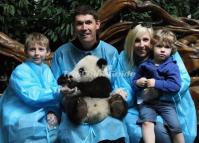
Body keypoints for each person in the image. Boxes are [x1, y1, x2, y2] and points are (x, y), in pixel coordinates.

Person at [51, 5, 128, 143]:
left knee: (116, 131)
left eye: (88, 22)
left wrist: (120, 93)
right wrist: (62, 92)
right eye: (79, 23)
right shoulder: (61, 53)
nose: (84, 27)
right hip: (74, 111)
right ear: (74, 27)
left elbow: (118, 83)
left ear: (97, 24)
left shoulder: (110, 52)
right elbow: (53, 85)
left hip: (104, 110)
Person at [114, 24, 197, 143]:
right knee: (142, 127)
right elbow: (126, 84)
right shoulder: (124, 57)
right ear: (131, 42)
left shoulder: (165, 50)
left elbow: (183, 80)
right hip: (141, 105)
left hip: (172, 102)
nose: (142, 45)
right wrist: (126, 93)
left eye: (145, 40)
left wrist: (158, 90)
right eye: (137, 40)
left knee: (168, 130)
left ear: (152, 42)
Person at [0, 32, 71, 143]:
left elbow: (53, 92)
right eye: (32, 49)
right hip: (19, 113)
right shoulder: (20, 71)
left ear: (48, 52)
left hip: (42, 110)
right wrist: (59, 91)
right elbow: (32, 95)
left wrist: (53, 111)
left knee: (60, 126)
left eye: (41, 49)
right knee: (35, 132)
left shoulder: (46, 69)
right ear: (26, 52)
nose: (37, 53)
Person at [132, 29, 184, 143]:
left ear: (172, 50)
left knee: (175, 127)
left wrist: (156, 83)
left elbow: (175, 85)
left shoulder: (171, 66)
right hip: (147, 103)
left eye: (167, 47)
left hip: (165, 104)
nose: (162, 50)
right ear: (152, 46)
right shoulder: (145, 65)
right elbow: (134, 82)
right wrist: (138, 83)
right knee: (146, 122)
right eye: (159, 46)